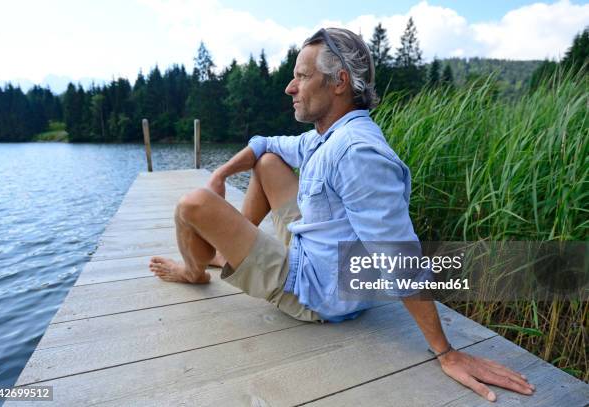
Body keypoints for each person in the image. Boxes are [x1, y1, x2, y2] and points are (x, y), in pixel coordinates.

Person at [149, 27, 535, 402]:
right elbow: (265, 143)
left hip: (316, 292)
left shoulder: (357, 153)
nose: (290, 87)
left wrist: (446, 352)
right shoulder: (327, 136)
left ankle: (194, 271)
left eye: (302, 76)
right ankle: (229, 251)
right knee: (268, 161)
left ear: (339, 82)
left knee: (192, 205)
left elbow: (398, 258)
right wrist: (221, 174)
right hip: (316, 255)